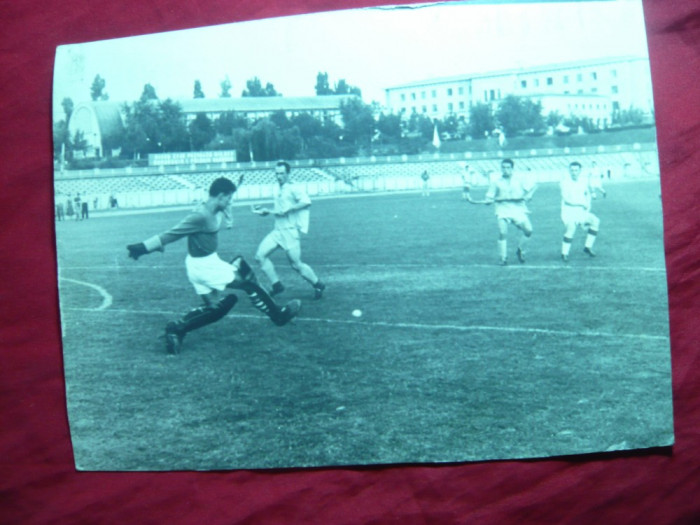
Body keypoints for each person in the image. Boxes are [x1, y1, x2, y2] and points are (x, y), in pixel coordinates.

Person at [126, 177, 301, 354]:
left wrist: (236, 184)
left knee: (216, 308)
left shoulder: (213, 206)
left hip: (200, 264)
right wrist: (143, 248)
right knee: (247, 280)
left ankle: (176, 330)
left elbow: (222, 194)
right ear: (220, 196)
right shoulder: (200, 215)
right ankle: (278, 315)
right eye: (229, 198)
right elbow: (171, 234)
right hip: (205, 266)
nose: (230, 202)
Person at [253, 161, 325, 299]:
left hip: (290, 232)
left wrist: (291, 208)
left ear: (288, 173)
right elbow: (279, 210)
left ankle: (318, 284)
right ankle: (277, 285)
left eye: (282, 173)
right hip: (277, 231)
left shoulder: (294, 188)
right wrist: (266, 211)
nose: (279, 176)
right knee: (260, 256)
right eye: (277, 173)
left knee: (296, 265)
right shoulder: (279, 189)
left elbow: (306, 201)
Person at [466, 158, 536, 265]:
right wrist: (488, 201)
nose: (505, 170)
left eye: (508, 167)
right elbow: (489, 196)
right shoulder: (496, 182)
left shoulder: (520, 179)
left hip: (518, 208)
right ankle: (503, 258)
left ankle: (521, 250)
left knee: (529, 231)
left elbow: (534, 186)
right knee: (503, 232)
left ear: (512, 169)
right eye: (503, 167)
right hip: (502, 209)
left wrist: (529, 195)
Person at [560, 161, 600, 262]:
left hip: (581, 211)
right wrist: (581, 204)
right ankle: (564, 253)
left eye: (576, 170)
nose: (574, 172)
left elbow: (587, 194)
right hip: (568, 211)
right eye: (572, 170)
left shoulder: (583, 182)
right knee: (571, 228)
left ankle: (587, 247)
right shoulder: (564, 183)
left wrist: (587, 206)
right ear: (569, 171)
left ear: (580, 171)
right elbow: (566, 200)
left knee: (595, 221)